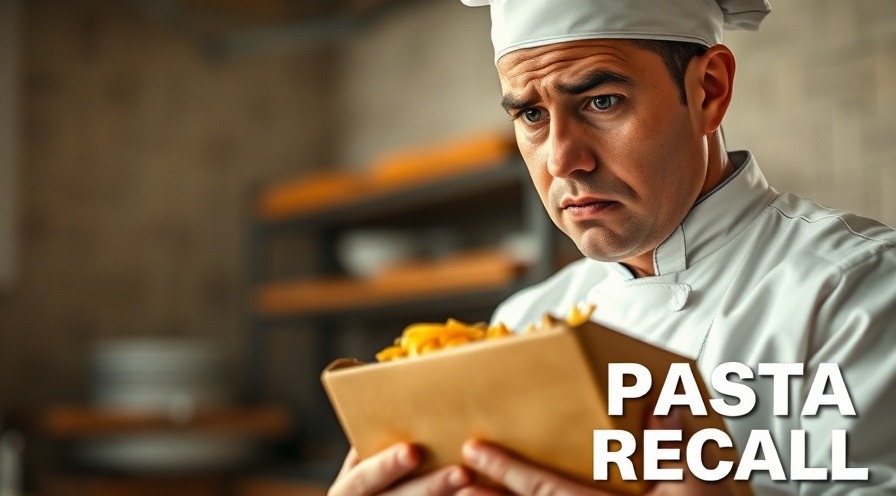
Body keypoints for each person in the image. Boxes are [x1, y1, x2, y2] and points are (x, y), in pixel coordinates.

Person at [328, 0, 896, 494]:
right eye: (531, 114)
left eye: (601, 101)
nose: (561, 161)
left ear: (709, 90)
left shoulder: (861, 290)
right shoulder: (523, 325)